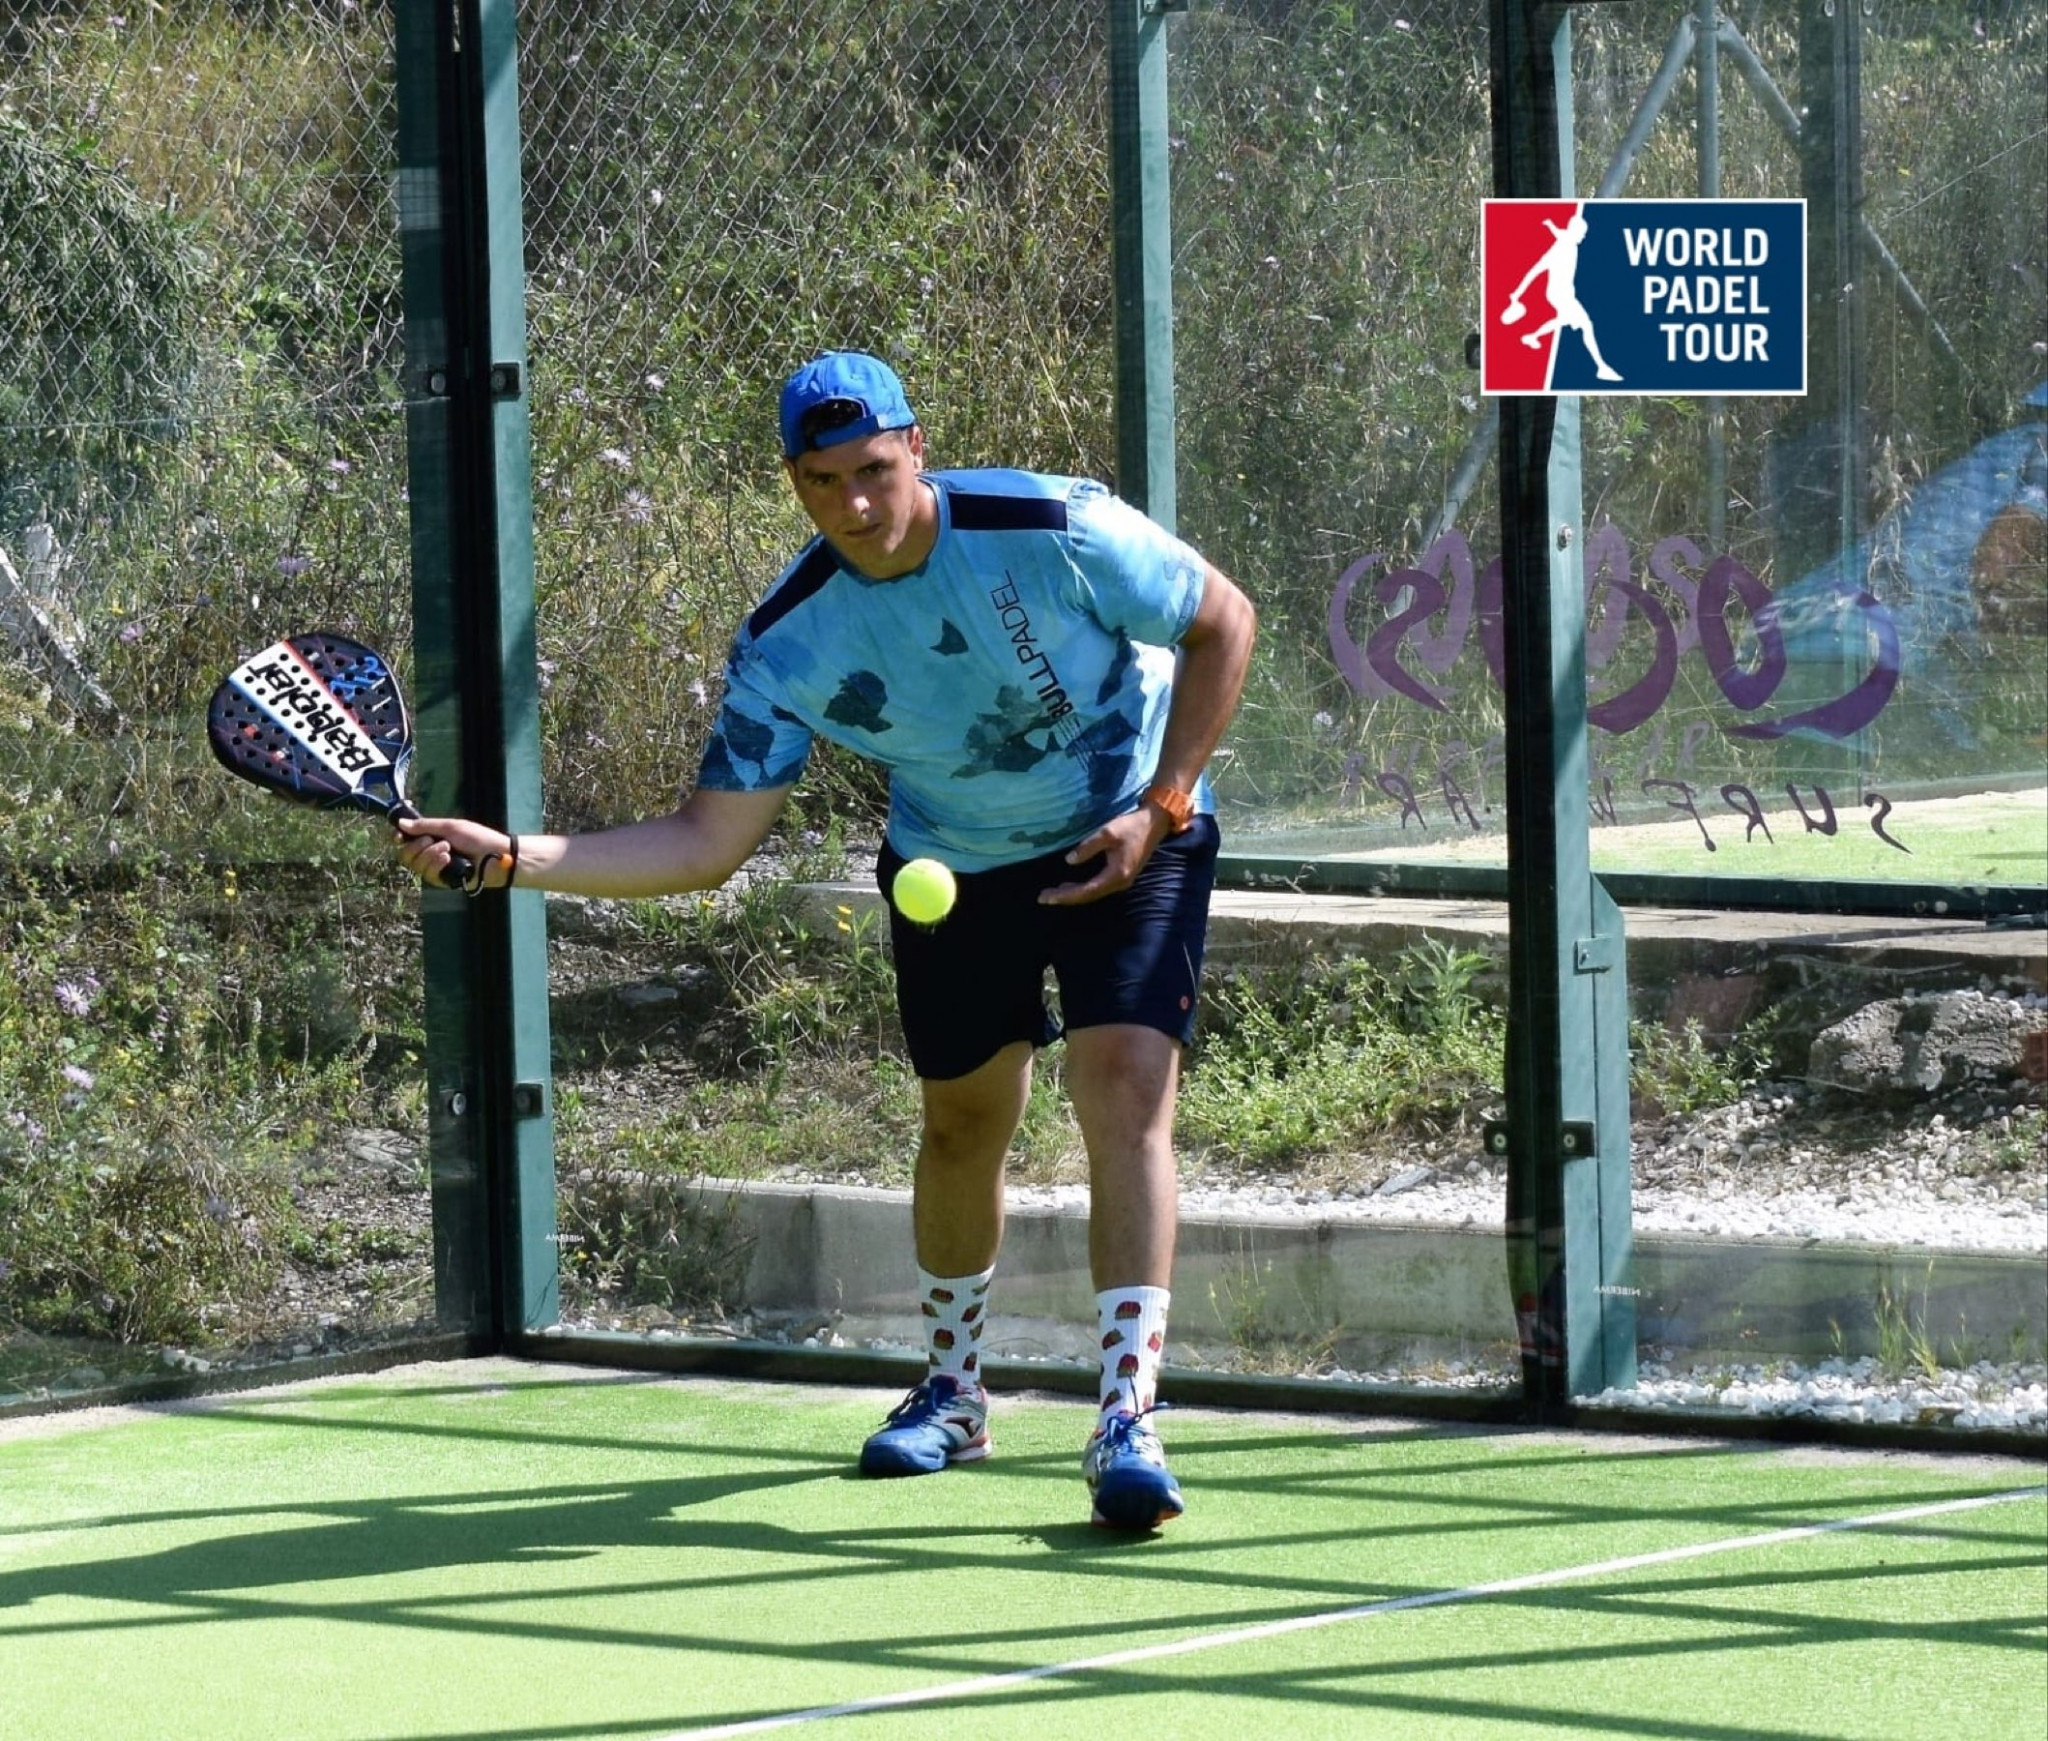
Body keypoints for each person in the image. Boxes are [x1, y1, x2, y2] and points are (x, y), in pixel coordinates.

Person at [398, 351, 1257, 1531]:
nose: (854, 503)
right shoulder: (786, 640)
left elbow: (1222, 621)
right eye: (822, 481)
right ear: (793, 483)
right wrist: (509, 856)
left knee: (1121, 1089)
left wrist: (1162, 802)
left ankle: (1126, 1416)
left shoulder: (1054, 528)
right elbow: (706, 840)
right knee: (962, 1123)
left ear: (916, 449)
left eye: (873, 470)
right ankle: (953, 1393)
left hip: (1130, 829)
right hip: (952, 865)